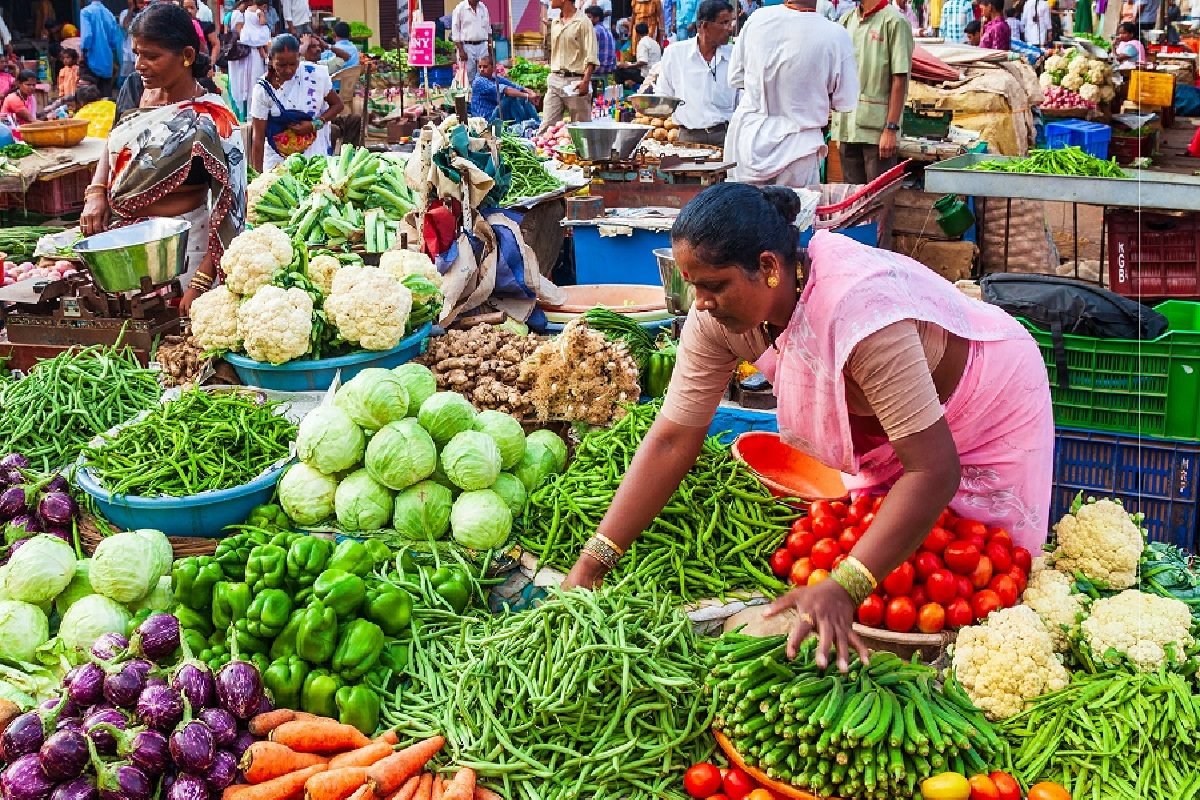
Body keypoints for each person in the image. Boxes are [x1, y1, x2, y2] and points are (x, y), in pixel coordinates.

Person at [561, 182, 1054, 670]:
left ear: (770, 268)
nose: (702, 302)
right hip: (888, 429)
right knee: (903, 563)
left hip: (986, 404)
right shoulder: (716, 319)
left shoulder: (858, 309)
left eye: (714, 285)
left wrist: (846, 584)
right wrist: (593, 563)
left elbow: (932, 471)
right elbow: (672, 439)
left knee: (986, 578)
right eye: (693, 285)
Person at [80, 2, 245, 315]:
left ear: (186, 56)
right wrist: (96, 193)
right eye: (137, 53)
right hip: (121, 245)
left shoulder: (213, 118)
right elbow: (112, 142)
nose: (140, 64)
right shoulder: (132, 89)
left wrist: (200, 281)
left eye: (152, 56)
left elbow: (232, 207)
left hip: (182, 250)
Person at [725, 0, 857, 184]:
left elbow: (737, 77)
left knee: (745, 211)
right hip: (799, 150)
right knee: (795, 211)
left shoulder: (757, 20)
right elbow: (844, 101)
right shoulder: (836, 35)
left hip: (749, 145)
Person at [832, 0, 913, 248]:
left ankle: (880, 260)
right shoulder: (847, 21)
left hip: (877, 130)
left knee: (880, 207)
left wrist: (891, 128)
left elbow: (900, 78)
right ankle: (856, 259)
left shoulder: (894, 21)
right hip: (847, 125)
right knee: (853, 206)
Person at [249, 34, 342, 172]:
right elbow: (258, 137)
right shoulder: (263, 89)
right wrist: (257, 177)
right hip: (278, 161)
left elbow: (338, 105)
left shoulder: (316, 75)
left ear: (299, 57)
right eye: (281, 65)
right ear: (271, 60)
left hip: (314, 158)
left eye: (293, 64)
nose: (288, 70)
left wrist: (314, 124)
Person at [654, 0, 738, 146]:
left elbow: (742, 101)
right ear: (704, 26)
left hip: (726, 137)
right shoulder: (675, 54)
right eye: (724, 23)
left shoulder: (735, 56)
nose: (729, 29)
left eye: (731, 23)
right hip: (688, 137)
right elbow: (664, 96)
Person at [539, 0, 597, 131]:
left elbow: (591, 55)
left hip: (575, 81)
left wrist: (585, 82)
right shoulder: (555, 22)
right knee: (547, 127)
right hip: (555, 79)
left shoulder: (583, 22)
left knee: (581, 130)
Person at [299, 33, 360, 147]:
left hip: (326, 118)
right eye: (312, 47)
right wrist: (305, 44)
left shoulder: (323, 67)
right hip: (309, 122)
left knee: (355, 120)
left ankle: (347, 157)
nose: (318, 49)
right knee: (334, 130)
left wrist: (327, 46)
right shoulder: (296, 70)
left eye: (318, 46)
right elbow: (295, 57)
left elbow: (345, 57)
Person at [229, 0, 270, 118]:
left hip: (247, 54)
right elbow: (262, 24)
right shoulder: (256, 12)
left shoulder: (244, 13)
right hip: (250, 54)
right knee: (253, 85)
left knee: (248, 86)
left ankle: (247, 115)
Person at [469, 54, 539, 122]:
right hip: (486, 119)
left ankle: (534, 121)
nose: (481, 69)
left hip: (495, 113)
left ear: (493, 68)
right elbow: (506, 90)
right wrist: (527, 96)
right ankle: (523, 123)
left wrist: (531, 93)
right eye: (480, 67)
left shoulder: (494, 78)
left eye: (485, 67)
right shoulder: (479, 81)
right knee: (512, 97)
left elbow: (515, 86)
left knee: (520, 95)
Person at [81, 0, 124, 96]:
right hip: (107, 60)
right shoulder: (109, 14)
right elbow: (114, 41)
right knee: (105, 93)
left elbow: (87, 36)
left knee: (88, 94)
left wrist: (83, 52)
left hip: (91, 58)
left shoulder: (86, 12)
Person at [452, 0, 491, 84]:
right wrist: (461, 50)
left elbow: (488, 29)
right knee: (468, 74)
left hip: (483, 45)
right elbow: (455, 31)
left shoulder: (483, 7)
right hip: (467, 46)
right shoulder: (460, 8)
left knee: (484, 74)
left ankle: (482, 95)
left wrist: (490, 48)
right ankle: (469, 95)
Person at [587, 6, 617, 87]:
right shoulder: (607, 30)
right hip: (609, 67)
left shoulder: (595, 30)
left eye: (589, 17)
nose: (587, 20)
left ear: (597, 18)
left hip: (598, 67)